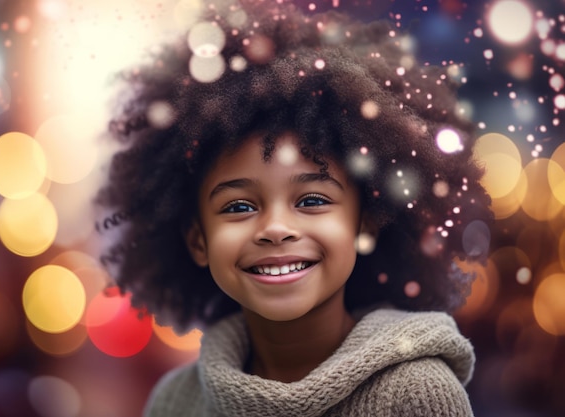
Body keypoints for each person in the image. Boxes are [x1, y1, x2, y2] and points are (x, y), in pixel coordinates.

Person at [97, 0, 492, 415]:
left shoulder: (415, 395)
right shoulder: (175, 402)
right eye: (238, 206)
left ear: (368, 222)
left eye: (312, 200)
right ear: (198, 239)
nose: (276, 228)